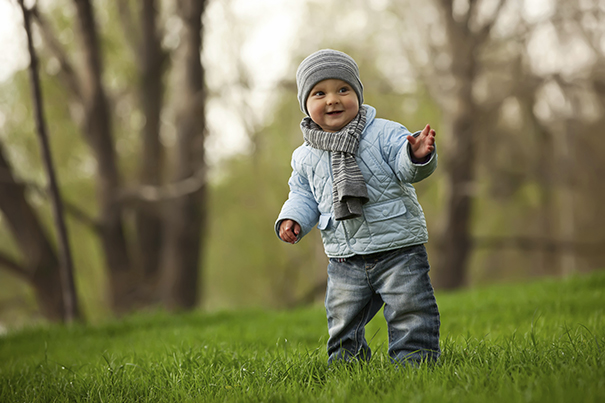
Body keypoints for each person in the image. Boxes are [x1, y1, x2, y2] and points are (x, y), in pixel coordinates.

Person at [275, 49, 440, 366]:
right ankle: (347, 367)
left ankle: (415, 362)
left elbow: (406, 169)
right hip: (344, 255)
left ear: (358, 94)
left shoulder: (384, 133)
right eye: (319, 93)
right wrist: (293, 217)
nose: (333, 99)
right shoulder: (305, 156)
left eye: (343, 89)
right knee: (343, 319)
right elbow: (303, 194)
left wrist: (416, 155)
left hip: (398, 248)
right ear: (306, 106)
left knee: (410, 308)